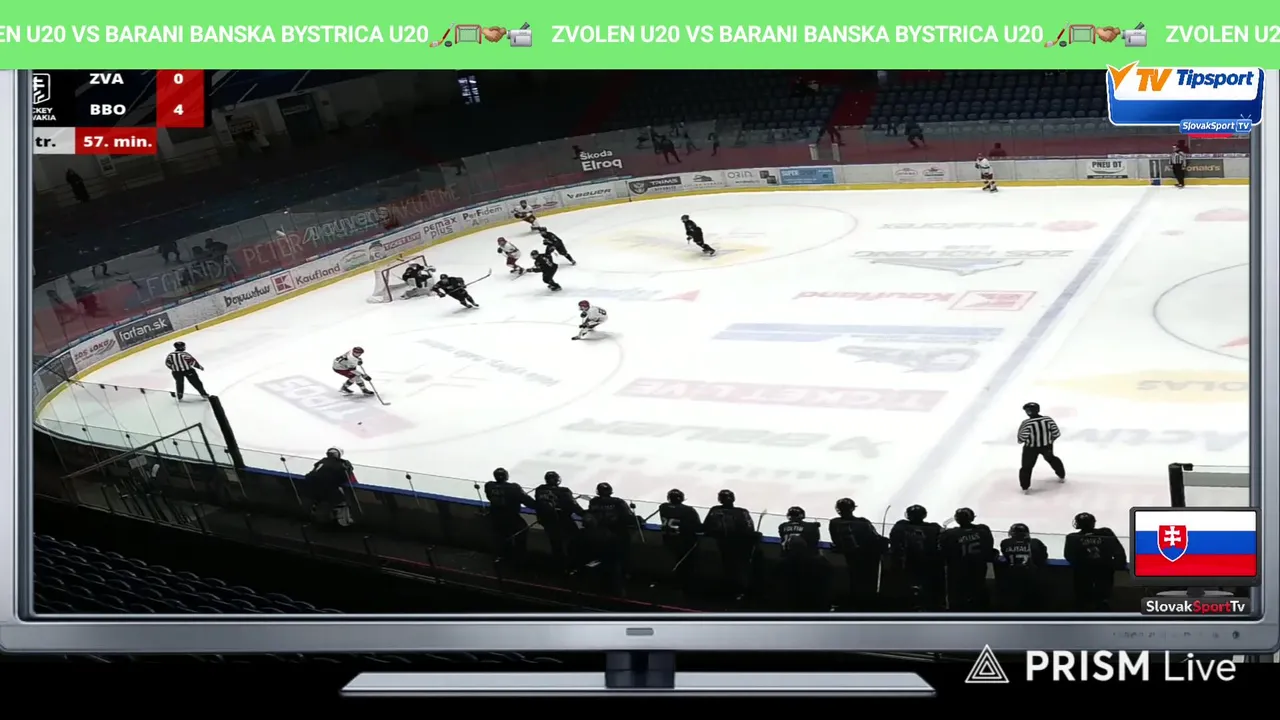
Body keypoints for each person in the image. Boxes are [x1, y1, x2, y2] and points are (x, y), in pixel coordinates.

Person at [827, 498, 887, 610]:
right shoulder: (863, 522)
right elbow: (875, 537)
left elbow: (836, 540)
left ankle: (856, 603)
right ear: (852, 508)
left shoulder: (834, 523)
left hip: (850, 556)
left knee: (855, 580)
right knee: (867, 581)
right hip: (867, 557)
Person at [1063, 512, 1126, 611]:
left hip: (1083, 573)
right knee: (1103, 599)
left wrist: (1082, 564)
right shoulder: (1105, 532)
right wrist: (1118, 564)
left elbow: (1069, 555)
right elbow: (1118, 551)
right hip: (1104, 571)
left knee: (1083, 600)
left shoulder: (1072, 537)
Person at [702, 489, 758, 600]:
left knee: (728, 567)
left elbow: (706, 527)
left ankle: (730, 590)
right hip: (739, 545)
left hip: (723, 544)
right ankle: (738, 591)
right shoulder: (742, 512)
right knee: (738, 568)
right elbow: (750, 529)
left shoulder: (715, 510)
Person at [582, 482, 636, 595]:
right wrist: (638, 519)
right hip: (615, 537)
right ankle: (617, 588)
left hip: (597, 536)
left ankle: (599, 586)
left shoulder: (594, 502)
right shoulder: (618, 502)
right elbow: (628, 517)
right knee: (616, 561)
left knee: (601, 559)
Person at [888, 505, 944, 610]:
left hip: (908, 562)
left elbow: (894, 541)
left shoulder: (901, 525)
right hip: (927, 562)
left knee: (907, 588)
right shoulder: (933, 527)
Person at [939, 508, 995, 611]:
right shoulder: (983, 530)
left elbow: (943, 551)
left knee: (957, 596)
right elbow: (989, 547)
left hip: (957, 570)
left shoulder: (949, 534)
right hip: (978, 568)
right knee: (978, 592)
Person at [483, 468, 537, 568]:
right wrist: (539, 505)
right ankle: (519, 559)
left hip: (495, 517)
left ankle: (503, 556)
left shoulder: (489, 486)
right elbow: (527, 501)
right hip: (510, 517)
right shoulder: (513, 488)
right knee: (521, 532)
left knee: (501, 536)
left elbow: (490, 497)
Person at [532, 471, 585, 572]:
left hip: (547, 521)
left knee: (556, 544)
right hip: (563, 520)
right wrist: (585, 514)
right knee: (576, 538)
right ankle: (571, 565)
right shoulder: (564, 491)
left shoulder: (540, 489)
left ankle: (558, 566)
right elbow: (573, 506)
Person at [658, 488, 704, 595]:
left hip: (668, 540)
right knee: (688, 565)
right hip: (684, 542)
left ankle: (677, 586)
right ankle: (686, 589)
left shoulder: (663, 507)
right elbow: (697, 526)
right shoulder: (688, 510)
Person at [997, 523, 1049, 611]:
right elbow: (1043, 557)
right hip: (1031, 577)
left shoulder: (1005, 543)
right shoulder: (1035, 543)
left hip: (1012, 577)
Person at [1017, 401, 1066, 493]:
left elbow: (1022, 437)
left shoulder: (1027, 423)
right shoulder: (1048, 420)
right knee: (1051, 458)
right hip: (1047, 446)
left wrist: (1022, 440)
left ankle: (1025, 487)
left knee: (1026, 467)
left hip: (1030, 448)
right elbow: (1056, 433)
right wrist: (1049, 441)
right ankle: (1061, 475)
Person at [304, 447, 356, 527]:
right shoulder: (342, 465)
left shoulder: (321, 463)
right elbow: (345, 478)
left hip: (315, 491)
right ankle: (343, 522)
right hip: (330, 492)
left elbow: (309, 476)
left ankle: (313, 519)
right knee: (343, 502)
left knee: (317, 501)